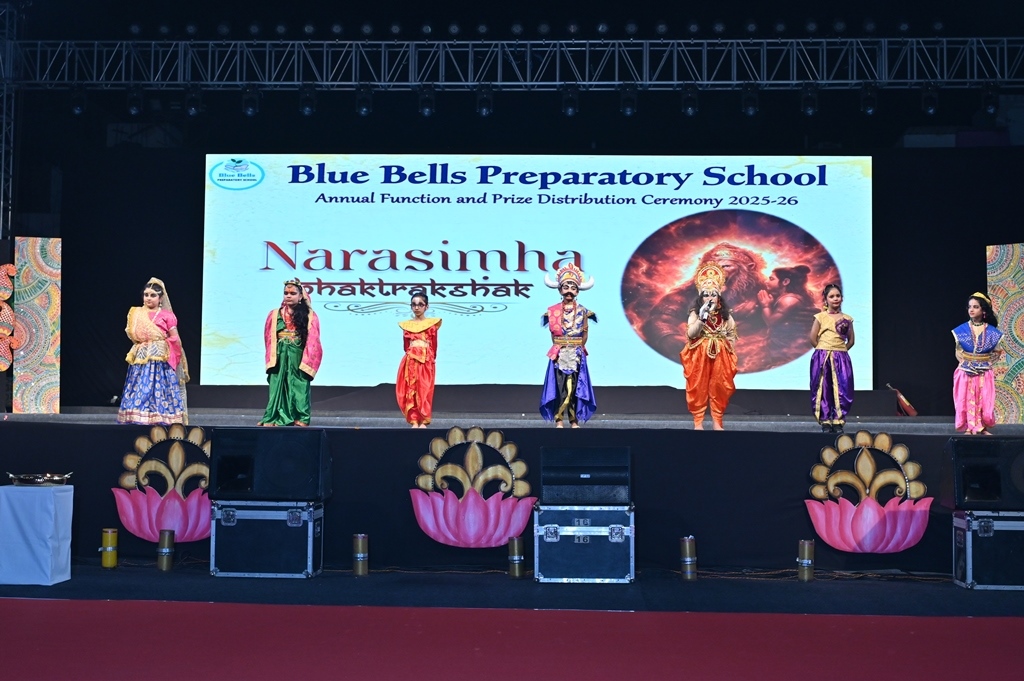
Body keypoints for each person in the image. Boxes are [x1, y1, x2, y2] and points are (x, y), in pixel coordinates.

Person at [644, 242, 767, 370]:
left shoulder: (766, 290)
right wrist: (672, 339)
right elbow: (660, 319)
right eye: (710, 266)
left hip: (751, 355)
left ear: (749, 268)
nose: (716, 272)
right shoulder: (687, 292)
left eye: (725, 266)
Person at [117, 277, 189, 425]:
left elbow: (175, 338)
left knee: (160, 389)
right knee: (139, 386)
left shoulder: (167, 316)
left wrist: (165, 348)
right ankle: (138, 417)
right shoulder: (136, 313)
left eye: (153, 295)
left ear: (160, 298)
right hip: (141, 358)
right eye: (146, 295)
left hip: (160, 360)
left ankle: (162, 417)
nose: (148, 298)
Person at [680, 263, 738, 430]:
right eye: (706, 295)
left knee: (719, 386)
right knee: (698, 385)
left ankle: (717, 421)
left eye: (713, 294)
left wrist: (728, 350)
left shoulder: (726, 315)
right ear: (701, 297)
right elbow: (691, 334)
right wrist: (702, 318)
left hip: (720, 355)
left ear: (719, 296)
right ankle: (698, 422)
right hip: (699, 354)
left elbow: (731, 334)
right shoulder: (695, 313)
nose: (710, 298)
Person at [259, 278, 323, 427]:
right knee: (278, 384)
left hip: (298, 354)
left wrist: (308, 360)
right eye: (286, 293)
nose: (288, 296)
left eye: (293, 293)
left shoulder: (309, 315)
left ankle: (301, 417)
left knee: (298, 385)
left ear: (301, 296)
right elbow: (268, 336)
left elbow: (314, 338)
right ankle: (273, 417)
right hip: (279, 354)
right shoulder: (274, 314)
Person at [540, 263, 597, 428]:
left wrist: (578, 348)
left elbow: (585, 333)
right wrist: (560, 347)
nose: (569, 290)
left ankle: (573, 420)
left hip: (576, 354)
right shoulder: (552, 312)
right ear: (560, 290)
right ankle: (559, 419)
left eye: (573, 287)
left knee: (575, 388)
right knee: (559, 387)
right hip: (559, 354)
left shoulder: (584, 311)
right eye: (565, 287)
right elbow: (553, 334)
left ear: (578, 291)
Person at [952, 292, 1004, 435]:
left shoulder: (992, 332)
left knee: (984, 399)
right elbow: (958, 351)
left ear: (983, 310)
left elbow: (997, 352)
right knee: (966, 397)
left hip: (984, 370)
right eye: (970, 307)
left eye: (975, 307)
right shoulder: (961, 330)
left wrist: (985, 363)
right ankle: (969, 427)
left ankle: (982, 428)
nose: (971, 310)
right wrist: (967, 363)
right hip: (965, 370)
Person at [809, 283, 855, 433]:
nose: (835, 299)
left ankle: (838, 420)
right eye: (832, 296)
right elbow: (812, 338)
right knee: (824, 387)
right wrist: (822, 350)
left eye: (838, 296)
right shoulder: (820, 317)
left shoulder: (847, 319)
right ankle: (825, 420)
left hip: (841, 357)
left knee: (842, 388)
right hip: (823, 356)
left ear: (842, 298)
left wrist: (840, 351)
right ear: (826, 299)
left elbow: (851, 340)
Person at [397, 290, 442, 428]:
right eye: (414, 304)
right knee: (411, 388)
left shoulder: (432, 325)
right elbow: (406, 346)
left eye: (420, 304)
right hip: (411, 360)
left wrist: (430, 359)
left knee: (424, 389)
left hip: (426, 360)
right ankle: (414, 420)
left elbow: (434, 345)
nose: (417, 307)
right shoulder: (407, 326)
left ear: (426, 307)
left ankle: (423, 420)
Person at [757, 265, 819, 359]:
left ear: (785, 282)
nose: (766, 281)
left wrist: (765, 305)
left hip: (790, 347)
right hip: (784, 345)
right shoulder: (785, 298)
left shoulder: (789, 300)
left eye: (771, 279)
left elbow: (771, 322)